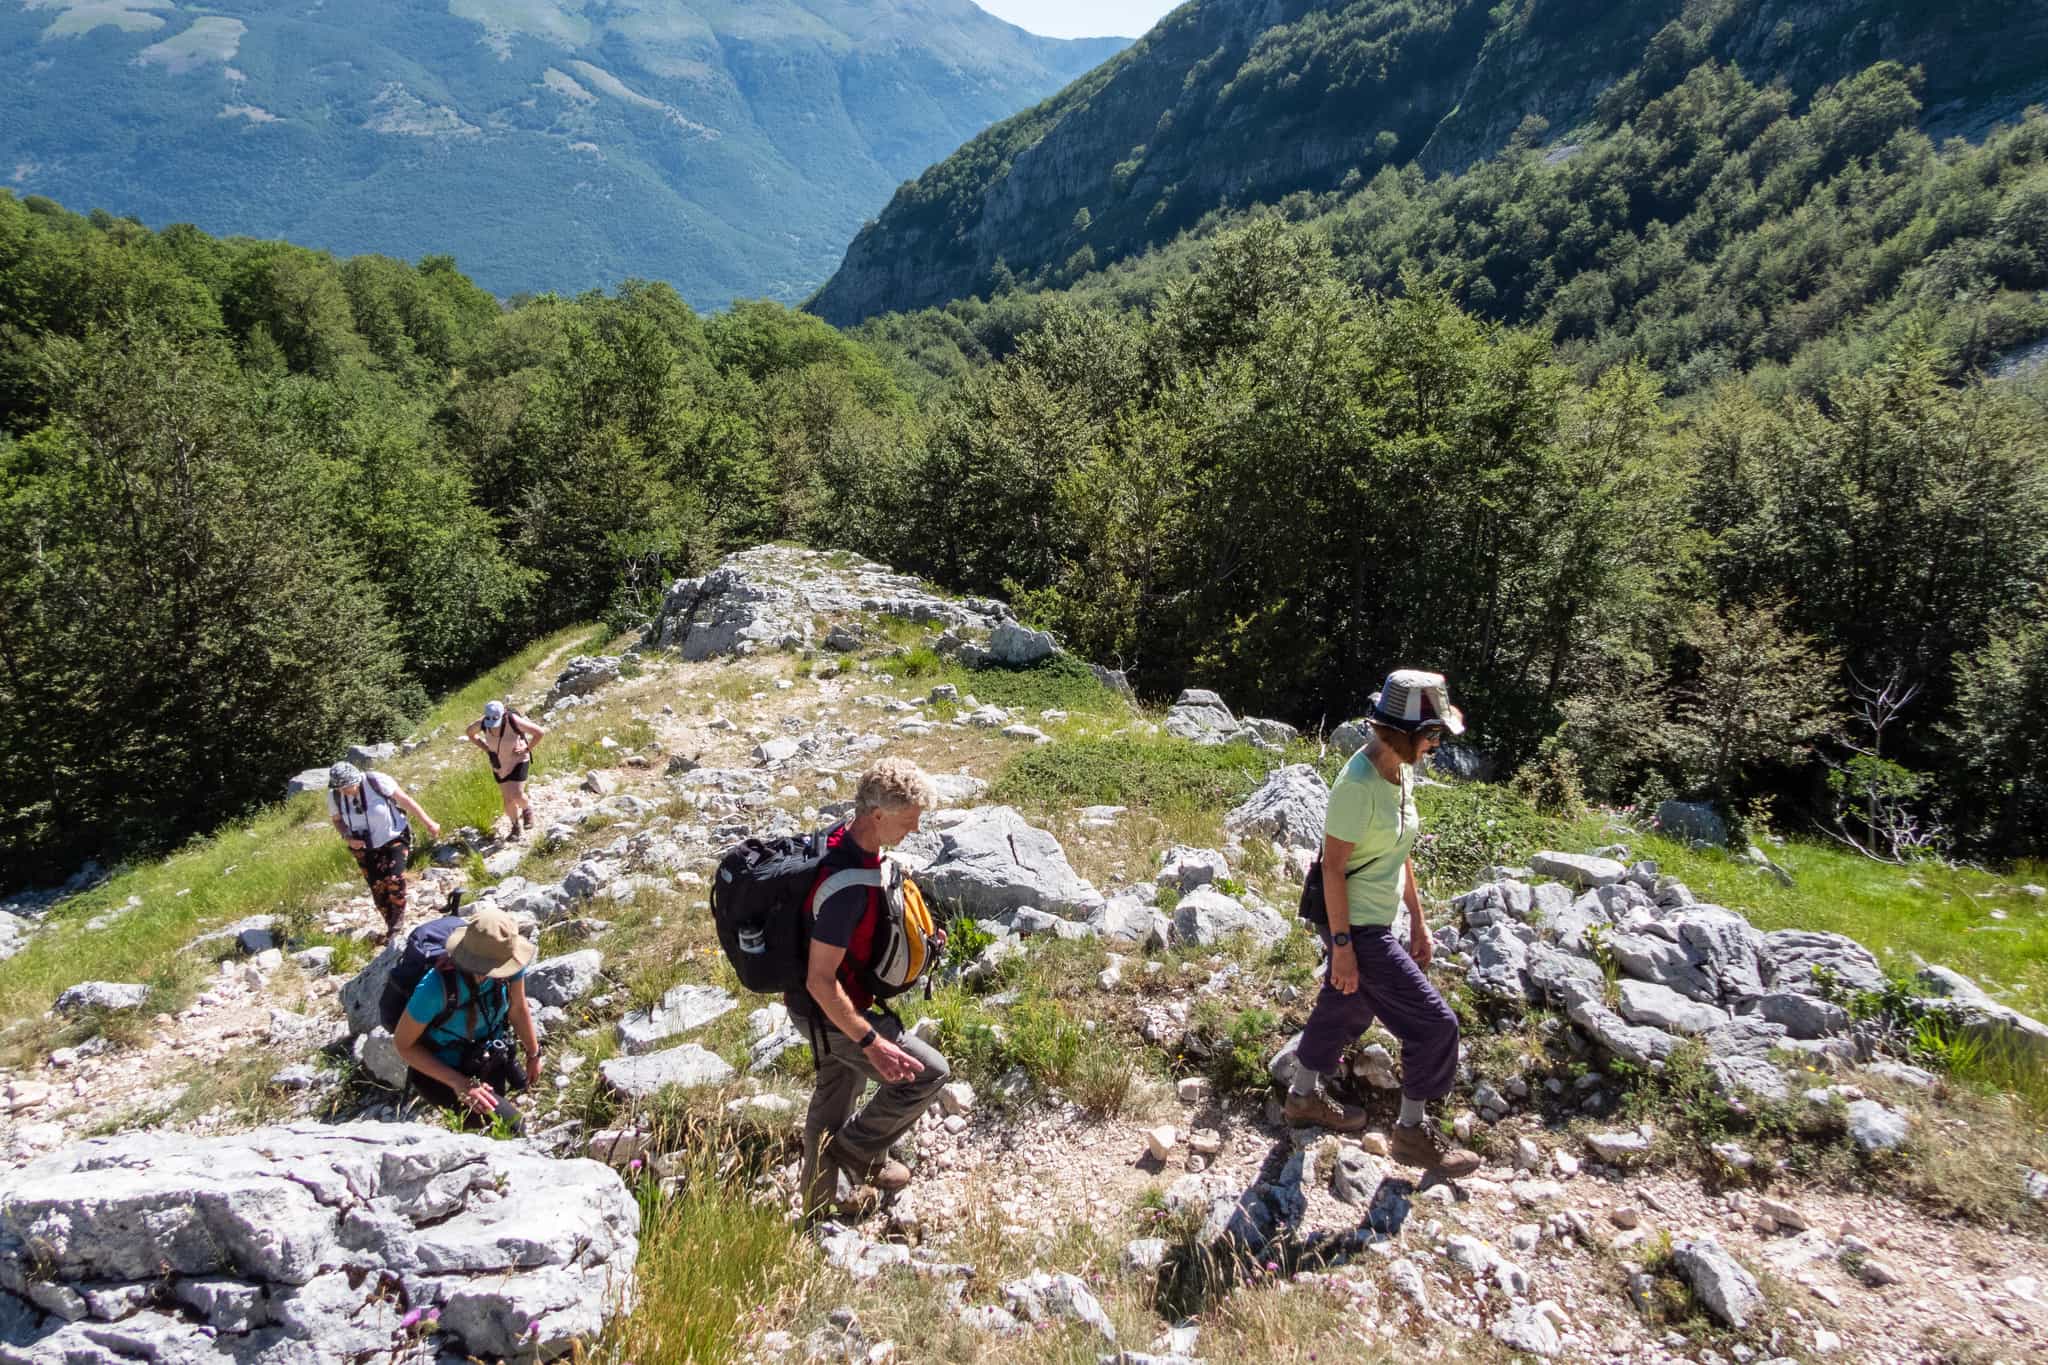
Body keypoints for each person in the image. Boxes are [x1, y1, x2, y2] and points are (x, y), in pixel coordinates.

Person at [1284, 669, 1482, 1178]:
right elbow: (1332, 867)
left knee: (1348, 1007)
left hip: (1379, 919)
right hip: (1356, 924)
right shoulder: (1356, 786)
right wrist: (1345, 947)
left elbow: (1399, 851)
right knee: (1435, 1025)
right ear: (1403, 733)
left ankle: (1302, 1096)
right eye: (1432, 733)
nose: (1437, 743)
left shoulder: (1402, 770)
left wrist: (1418, 920)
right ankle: (1412, 1132)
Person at [794, 758, 951, 1220]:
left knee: (837, 1090)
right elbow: (819, 980)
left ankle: (820, 1204)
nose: (916, 827)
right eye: (909, 819)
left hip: (833, 1004)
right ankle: (851, 1156)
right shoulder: (844, 889)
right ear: (877, 815)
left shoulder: (851, 839)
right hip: (828, 1009)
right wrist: (871, 1041)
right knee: (925, 1075)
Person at [390, 907, 541, 1134]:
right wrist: (459, 1084)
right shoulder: (434, 990)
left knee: (497, 1118)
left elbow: (518, 1008)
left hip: (486, 1056)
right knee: (510, 1128)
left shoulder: (509, 962)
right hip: (443, 1071)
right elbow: (404, 1045)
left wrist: (533, 1053)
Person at [327, 761, 441, 944]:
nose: (347, 791)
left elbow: (406, 801)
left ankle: (397, 926)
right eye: (342, 789)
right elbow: (337, 821)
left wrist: (429, 823)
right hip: (363, 846)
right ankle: (391, 923)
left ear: (357, 779)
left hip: (394, 836)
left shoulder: (376, 781)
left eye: (349, 787)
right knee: (378, 888)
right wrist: (347, 838)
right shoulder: (334, 796)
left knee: (394, 879)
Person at [466, 700, 546, 838]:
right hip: (499, 764)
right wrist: (486, 748)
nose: (493, 726)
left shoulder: (513, 720)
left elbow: (539, 732)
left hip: (518, 759)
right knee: (507, 799)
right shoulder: (483, 723)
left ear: (503, 715)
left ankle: (526, 810)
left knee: (517, 794)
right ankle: (515, 826)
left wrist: (526, 748)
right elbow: (470, 733)